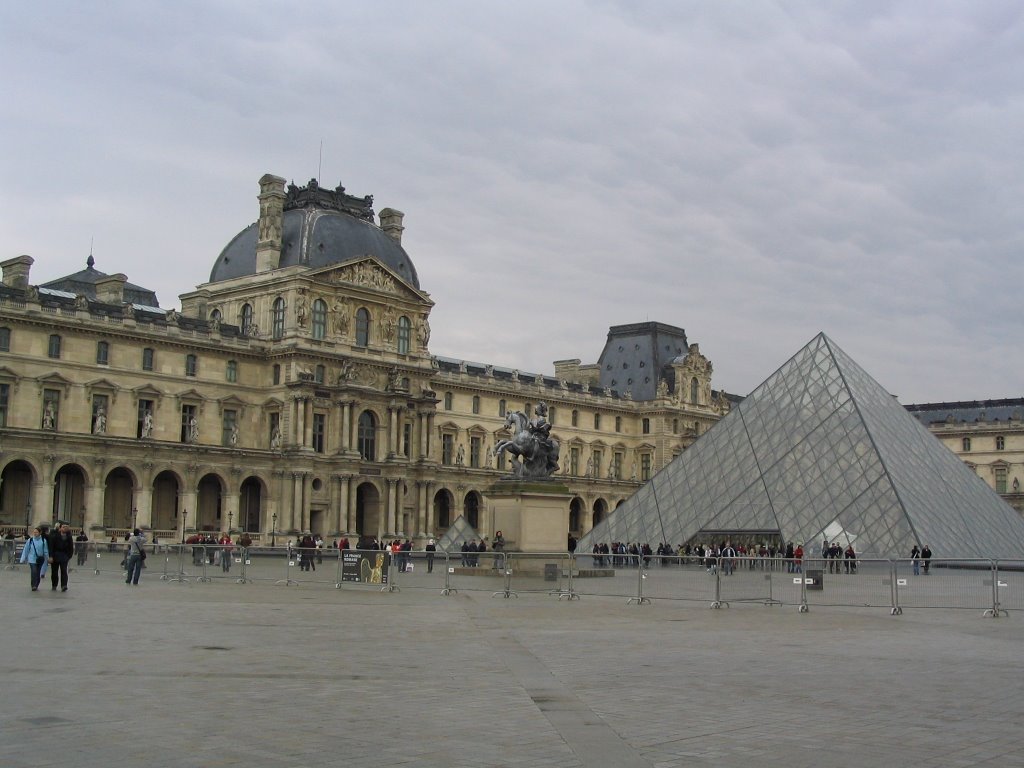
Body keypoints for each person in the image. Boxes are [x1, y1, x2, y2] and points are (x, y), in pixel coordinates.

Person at [20, 526, 49, 591]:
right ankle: (33, 585)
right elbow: (26, 549)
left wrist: (48, 558)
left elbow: (45, 550)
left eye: (36, 532)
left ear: (40, 533)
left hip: (40, 559)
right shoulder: (30, 540)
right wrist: (23, 558)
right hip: (32, 558)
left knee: (38, 572)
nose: (35, 533)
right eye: (34, 532)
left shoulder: (43, 541)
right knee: (34, 571)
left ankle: (36, 584)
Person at [48, 522, 75, 592]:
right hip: (55, 555)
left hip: (64, 556)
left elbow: (71, 547)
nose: (65, 528)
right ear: (60, 528)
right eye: (63, 527)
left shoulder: (69, 536)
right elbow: (51, 547)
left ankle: (64, 585)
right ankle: (54, 585)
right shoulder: (54, 536)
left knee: (64, 571)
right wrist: (50, 556)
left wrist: (69, 556)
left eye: (66, 527)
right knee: (54, 572)